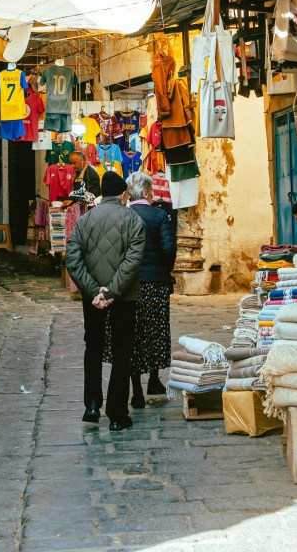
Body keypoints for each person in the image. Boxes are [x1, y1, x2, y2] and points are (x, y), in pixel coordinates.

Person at [65, 171, 145, 432]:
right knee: (122, 351)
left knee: (93, 346)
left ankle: (91, 405)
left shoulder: (84, 220)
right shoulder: (133, 220)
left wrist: (94, 291)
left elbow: (73, 259)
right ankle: (116, 413)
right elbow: (132, 261)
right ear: (124, 195)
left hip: (92, 297)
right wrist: (111, 292)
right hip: (124, 296)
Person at [124, 171, 177, 408]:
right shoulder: (159, 215)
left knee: (133, 334)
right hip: (155, 282)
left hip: (131, 284)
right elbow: (168, 249)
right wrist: (164, 270)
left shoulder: (124, 216)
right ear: (147, 193)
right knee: (155, 331)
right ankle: (154, 380)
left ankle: (136, 392)